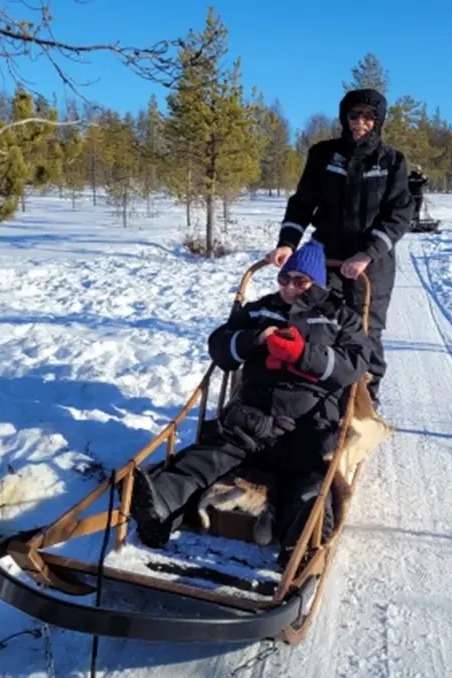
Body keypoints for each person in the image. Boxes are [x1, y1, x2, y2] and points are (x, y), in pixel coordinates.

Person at [130, 241, 371, 558]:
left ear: (318, 283)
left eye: (300, 281)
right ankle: (160, 505)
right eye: (284, 279)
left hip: (308, 423)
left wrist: (303, 355)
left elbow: (355, 364)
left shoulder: (339, 318)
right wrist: (253, 339)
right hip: (253, 415)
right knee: (207, 455)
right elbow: (219, 347)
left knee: (309, 482)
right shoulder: (259, 309)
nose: (289, 288)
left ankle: (300, 543)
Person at [265, 88, 413, 406]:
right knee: (316, 316)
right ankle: (315, 389)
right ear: (344, 118)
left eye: (368, 117)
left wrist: (367, 253)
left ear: (379, 121)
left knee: (365, 327)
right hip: (325, 254)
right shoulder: (323, 154)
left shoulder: (392, 161)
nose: (360, 122)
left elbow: (399, 216)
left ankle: (362, 402)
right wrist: (287, 243)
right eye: (354, 115)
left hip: (371, 261)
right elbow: (303, 203)